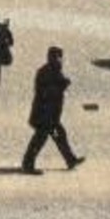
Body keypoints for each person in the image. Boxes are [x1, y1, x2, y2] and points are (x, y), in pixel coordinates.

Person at [22, 46, 85, 174]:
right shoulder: (45, 72)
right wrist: (62, 85)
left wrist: (62, 83)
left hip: (51, 116)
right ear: (50, 58)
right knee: (40, 139)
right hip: (43, 115)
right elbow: (46, 92)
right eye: (56, 57)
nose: (59, 60)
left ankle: (70, 159)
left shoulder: (54, 71)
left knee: (60, 135)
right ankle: (27, 164)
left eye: (59, 57)